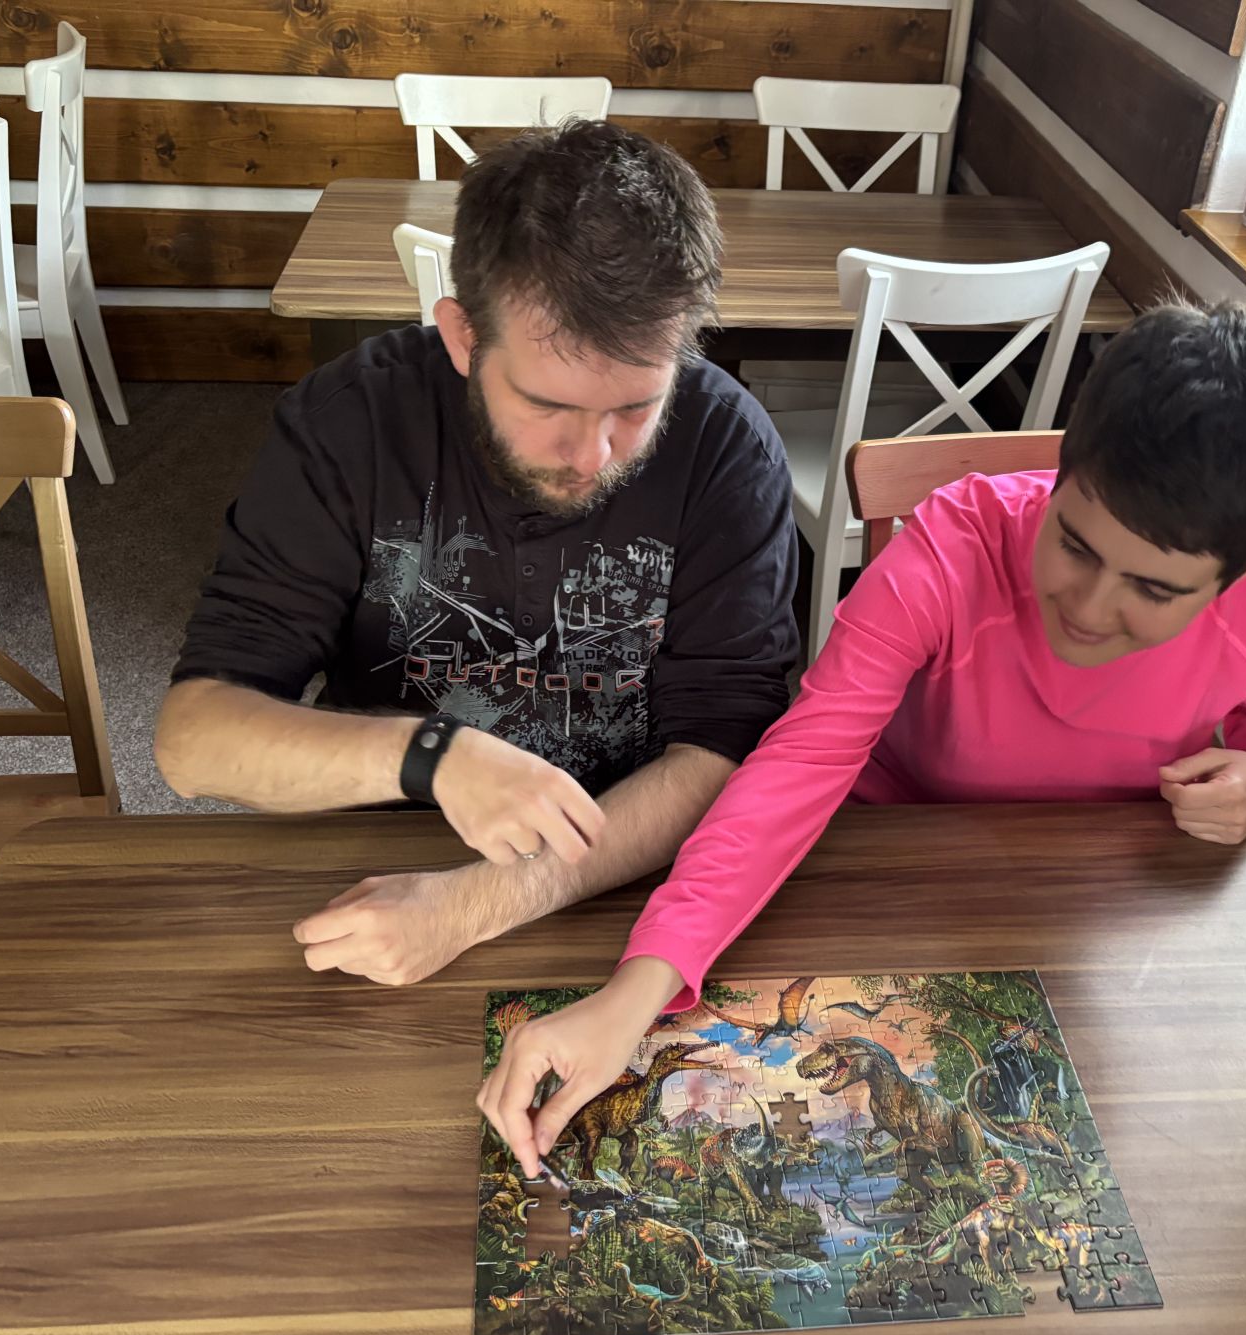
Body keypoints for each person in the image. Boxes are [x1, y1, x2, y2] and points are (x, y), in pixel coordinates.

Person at [478, 299, 1246, 1174]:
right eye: (1075, 544)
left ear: (1239, 576)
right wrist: (638, 986)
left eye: (1152, 590)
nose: (1088, 607)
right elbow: (800, 761)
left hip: (1105, 911)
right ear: (1061, 476)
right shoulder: (951, 547)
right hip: (890, 870)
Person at [155, 121, 799, 986]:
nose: (593, 455)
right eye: (548, 406)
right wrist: (432, 756)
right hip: (380, 857)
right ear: (462, 336)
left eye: (634, 407)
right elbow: (192, 740)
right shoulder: (349, 423)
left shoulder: (727, 447)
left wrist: (478, 904)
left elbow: (723, 751)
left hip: (628, 872)